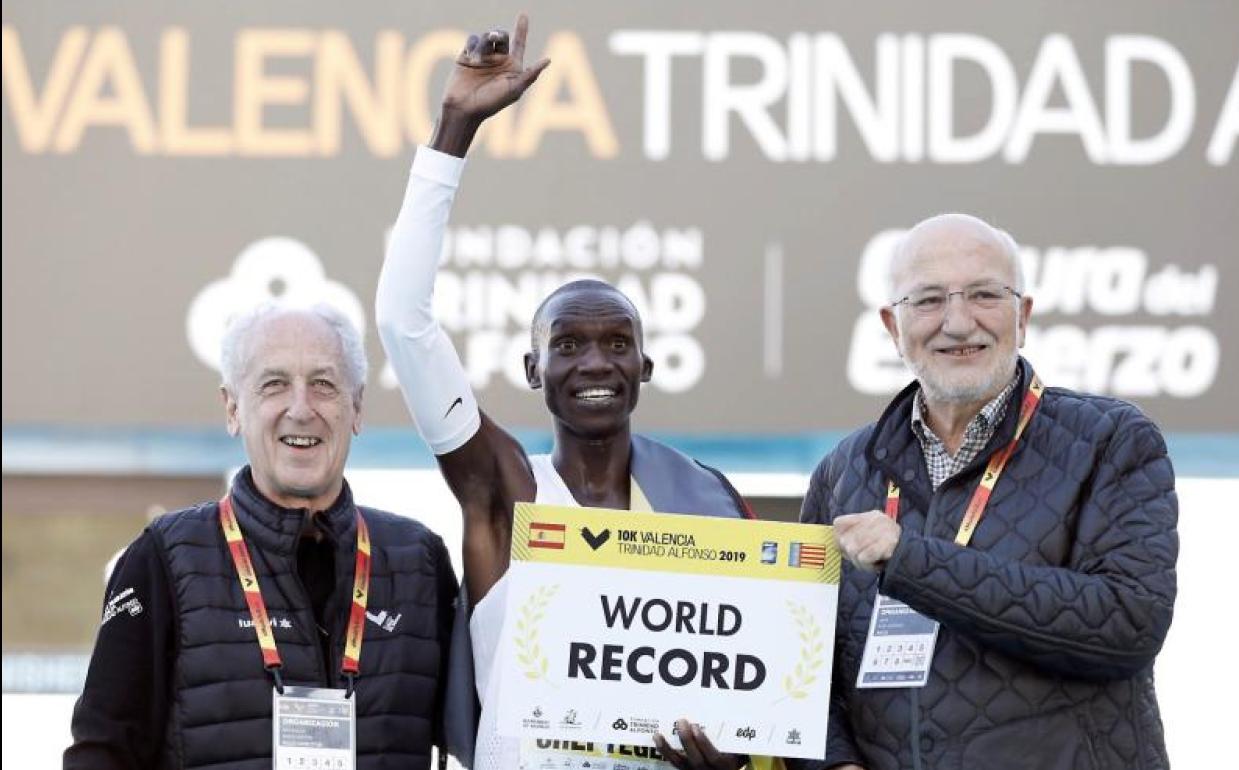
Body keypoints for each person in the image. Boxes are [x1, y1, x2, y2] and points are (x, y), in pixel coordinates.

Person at [375, 15, 777, 770]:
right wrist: (454, 128)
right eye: (567, 345)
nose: (594, 362)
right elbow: (404, 324)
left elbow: (750, 712)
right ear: (533, 372)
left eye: (617, 344)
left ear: (646, 369)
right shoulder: (506, 492)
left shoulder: (707, 505)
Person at [799, 213, 1178, 770]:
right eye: (927, 300)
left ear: (1022, 316)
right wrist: (836, 764)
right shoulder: (843, 471)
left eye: (984, 294)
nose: (957, 322)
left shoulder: (1112, 441)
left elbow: (1125, 623)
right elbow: (804, 665)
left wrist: (911, 560)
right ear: (891, 326)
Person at [65, 304, 457, 769]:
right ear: (232, 408)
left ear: (357, 407)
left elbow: (489, 733)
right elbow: (102, 752)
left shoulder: (419, 561)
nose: (301, 409)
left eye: (324, 385)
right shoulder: (163, 557)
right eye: (274, 385)